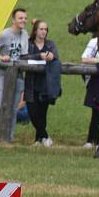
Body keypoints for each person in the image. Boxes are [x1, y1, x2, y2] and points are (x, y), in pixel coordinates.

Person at [0, 8, 28, 143]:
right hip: (2, 74)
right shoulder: (4, 34)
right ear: (13, 20)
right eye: (20, 18)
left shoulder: (25, 35)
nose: (23, 21)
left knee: (13, 109)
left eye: (25, 18)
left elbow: (24, 55)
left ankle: (8, 137)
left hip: (18, 75)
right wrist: (0, 57)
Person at [25, 19, 60, 147]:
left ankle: (38, 140)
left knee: (42, 113)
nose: (44, 31)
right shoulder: (28, 44)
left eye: (46, 29)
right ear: (35, 30)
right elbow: (23, 57)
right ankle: (45, 136)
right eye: (41, 29)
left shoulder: (51, 44)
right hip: (31, 83)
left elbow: (56, 58)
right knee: (32, 113)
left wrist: (52, 57)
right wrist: (38, 56)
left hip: (46, 83)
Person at [81, 35, 99, 148]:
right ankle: (94, 141)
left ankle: (92, 141)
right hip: (97, 83)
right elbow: (84, 58)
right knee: (96, 112)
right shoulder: (95, 41)